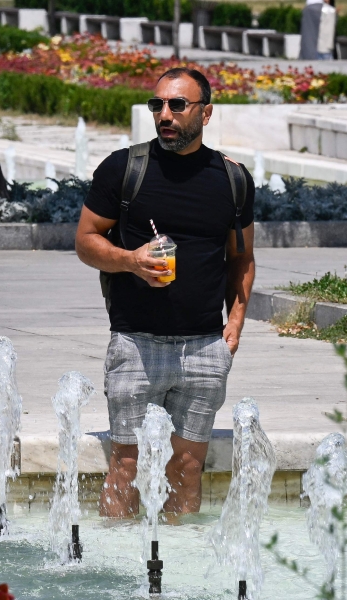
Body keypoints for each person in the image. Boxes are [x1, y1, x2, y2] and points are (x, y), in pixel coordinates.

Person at [75, 67, 256, 518]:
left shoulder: (233, 180)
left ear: (206, 113)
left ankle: (182, 569)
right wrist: (131, 260)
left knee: (189, 467)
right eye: (157, 105)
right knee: (126, 465)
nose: (165, 115)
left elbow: (242, 258)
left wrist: (234, 325)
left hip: (204, 346)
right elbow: (86, 241)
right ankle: (115, 570)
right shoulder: (124, 168)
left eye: (178, 105)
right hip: (135, 342)